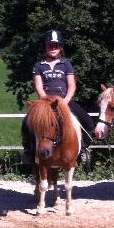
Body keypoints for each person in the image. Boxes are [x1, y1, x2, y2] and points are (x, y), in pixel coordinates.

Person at [29, 29, 94, 168]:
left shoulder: (66, 64)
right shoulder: (39, 66)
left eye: (55, 46)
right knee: (26, 123)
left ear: (60, 48)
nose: (52, 48)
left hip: (65, 101)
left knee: (88, 122)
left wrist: (65, 100)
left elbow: (72, 85)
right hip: (46, 103)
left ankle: (83, 149)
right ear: (45, 47)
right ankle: (29, 152)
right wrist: (45, 100)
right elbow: (39, 87)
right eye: (49, 45)